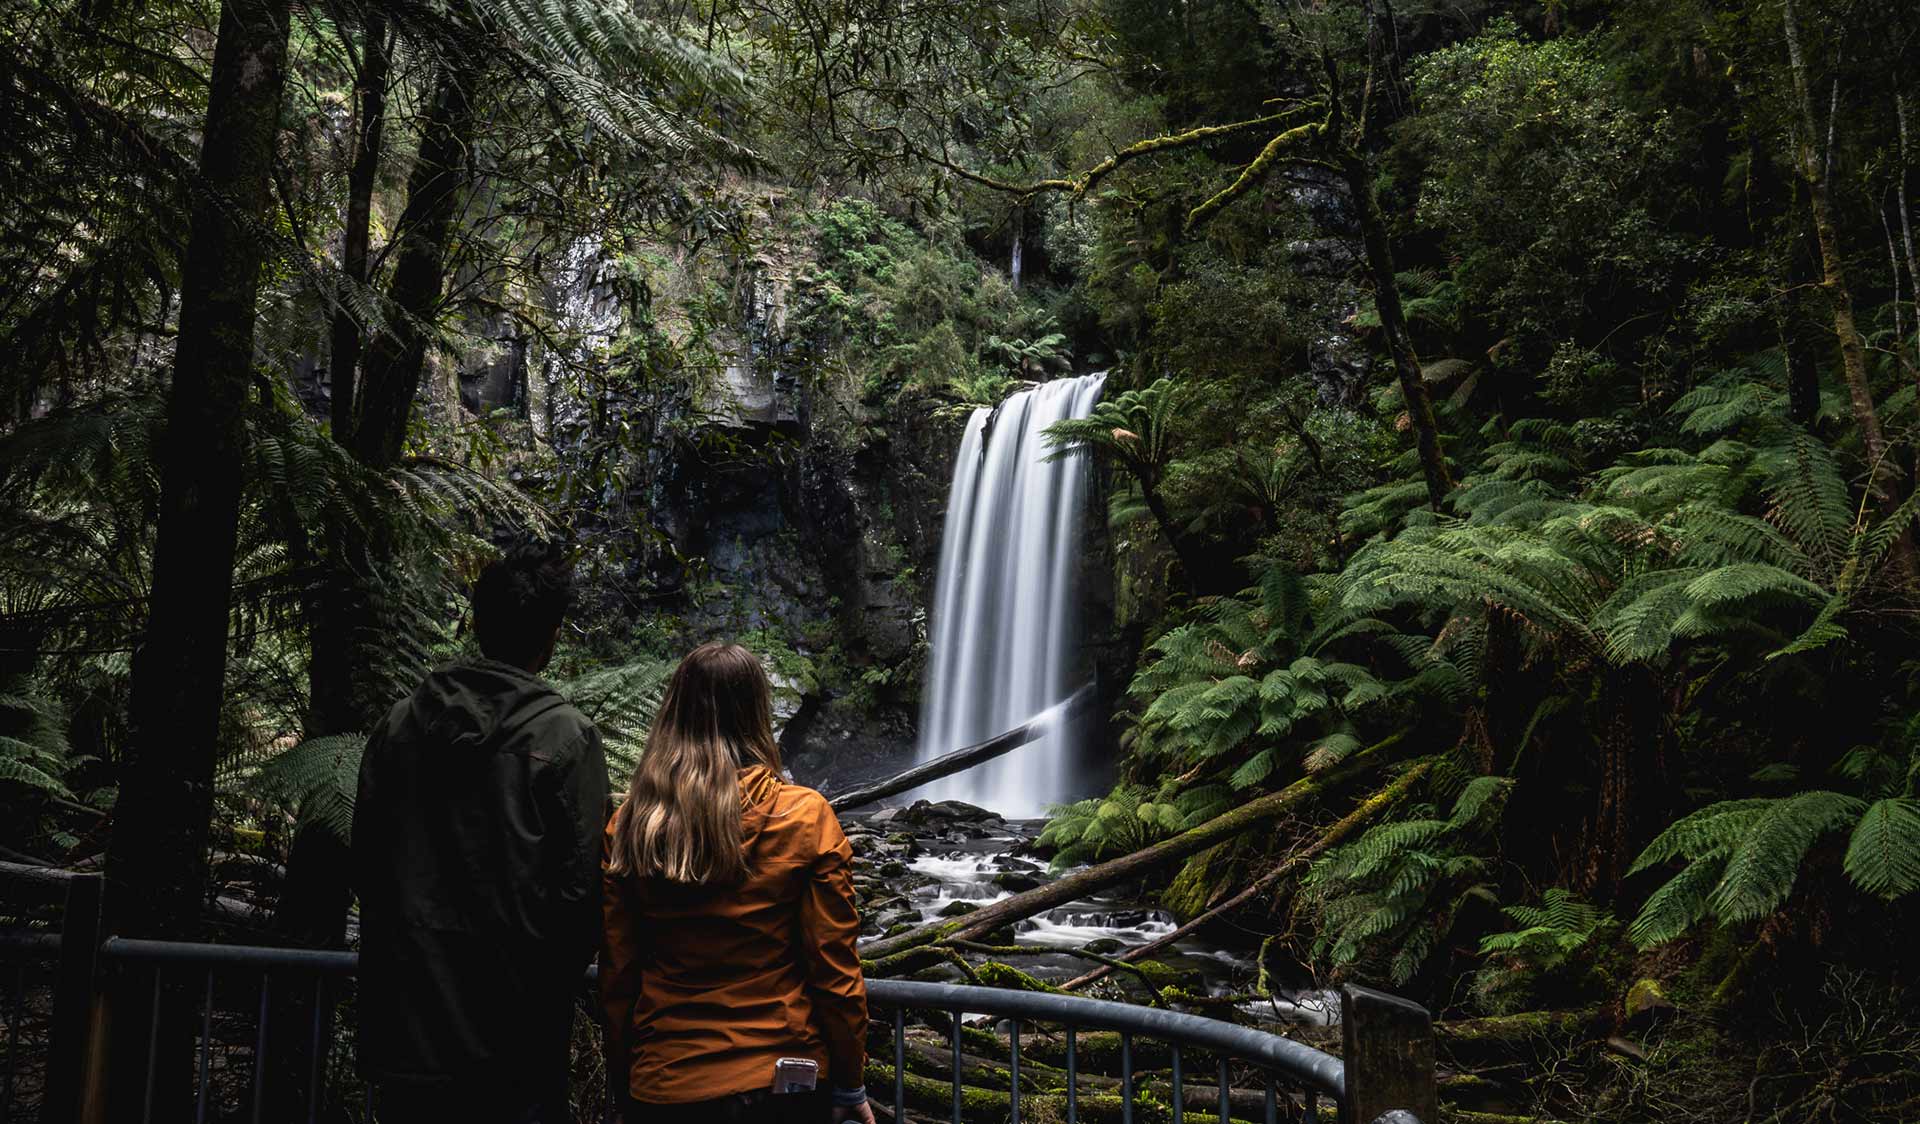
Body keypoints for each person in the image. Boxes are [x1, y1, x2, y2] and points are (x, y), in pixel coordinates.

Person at [353, 542, 608, 1122]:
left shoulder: (399, 725)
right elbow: (582, 894)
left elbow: (367, 860)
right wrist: (546, 982)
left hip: (407, 1029)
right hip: (515, 1039)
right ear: (552, 637)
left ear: (475, 623)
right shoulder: (565, 738)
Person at [601, 642, 874, 1124]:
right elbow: (834, 970)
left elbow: (619, 973)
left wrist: (625, 1083)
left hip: (666, 1081)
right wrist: (850, 1084)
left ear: (675, 712)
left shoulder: (631, 827)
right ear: (757, 713)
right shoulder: (804, 816)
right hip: (781, 1083)